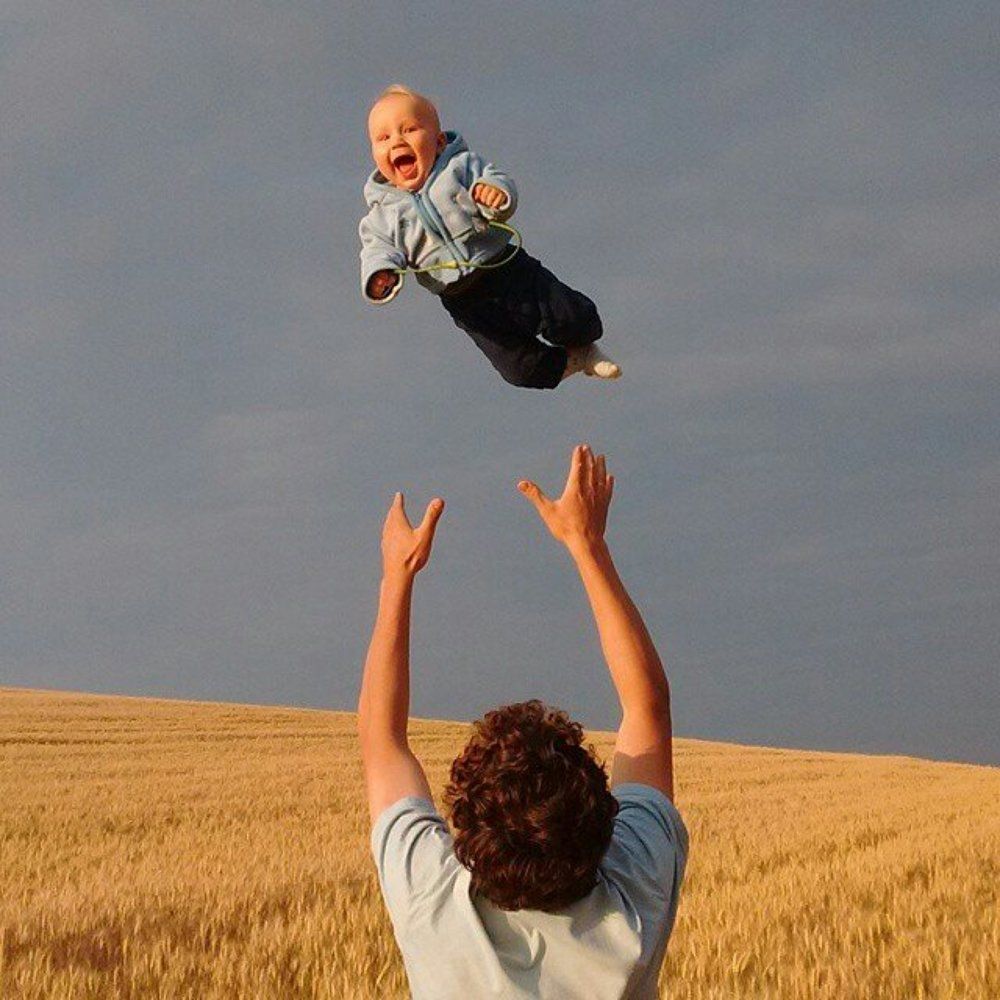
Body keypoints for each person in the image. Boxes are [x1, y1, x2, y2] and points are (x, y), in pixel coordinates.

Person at [358, 445, 688, 999]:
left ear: (465, 828)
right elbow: (647, 709)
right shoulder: (634, 903)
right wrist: (588, 547)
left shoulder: (432, 909)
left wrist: (398, 575)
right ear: (602, 822)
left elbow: (381, 741)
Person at [358, 85, 622, 389]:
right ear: (375, 155)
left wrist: (493, 194)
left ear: (439, 141)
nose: (397, 140)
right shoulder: (384, 212)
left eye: (409, 129)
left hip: (504, 268)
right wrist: (379, 274)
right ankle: (571, 362)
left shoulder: (458, 168)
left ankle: (585, 347)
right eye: (383, 137)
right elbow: (376, 247)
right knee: (521, 370)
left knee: (571, 318)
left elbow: (495, 180)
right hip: (464, 300)